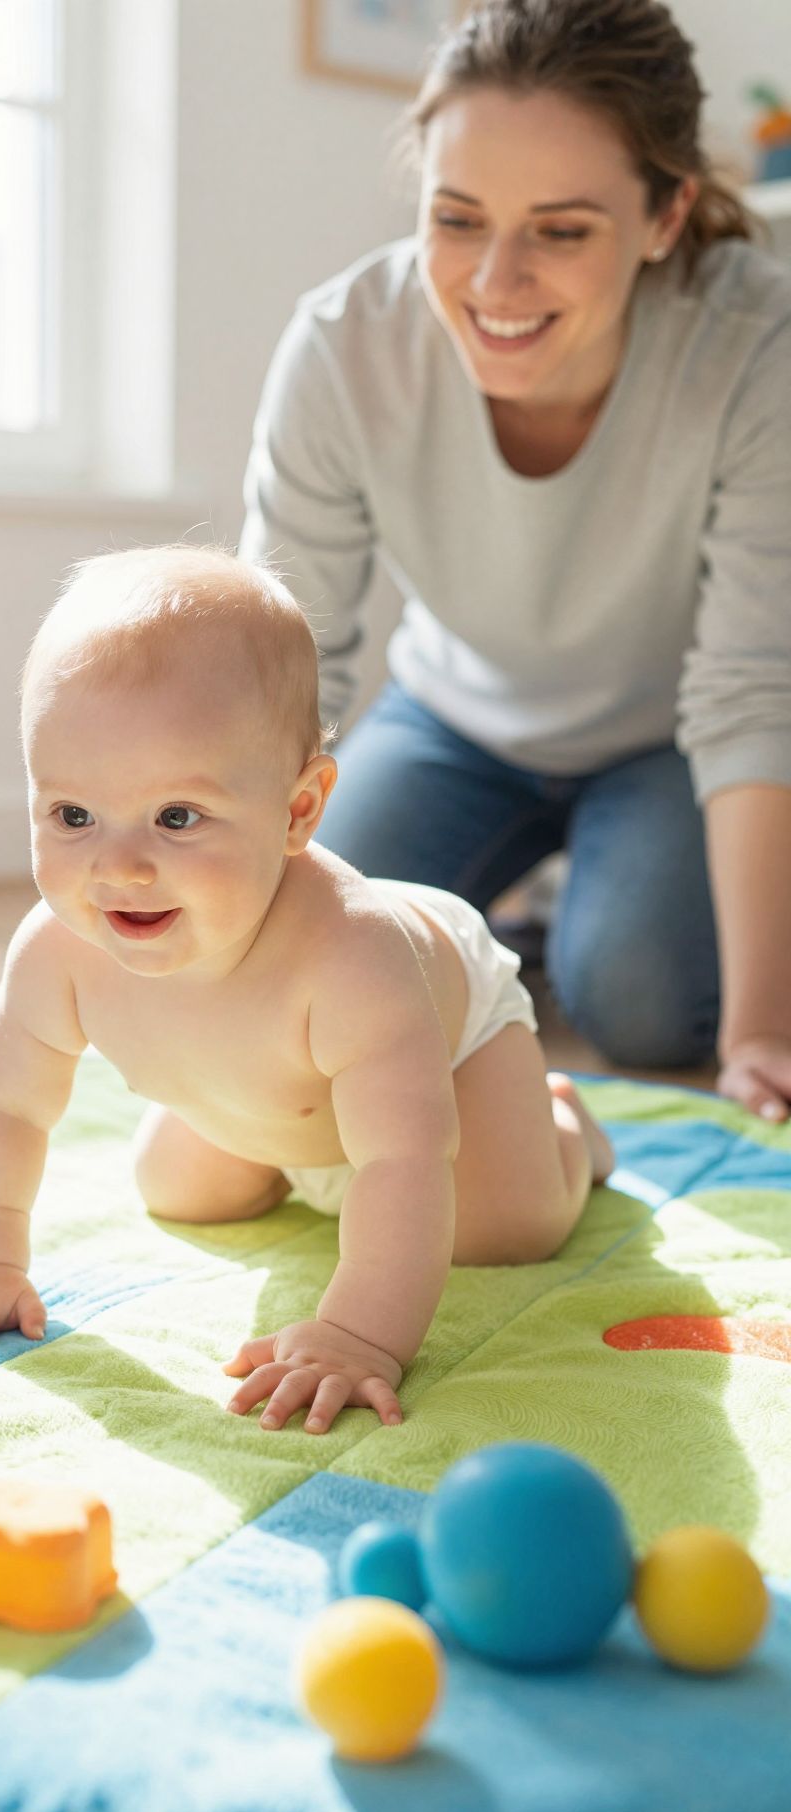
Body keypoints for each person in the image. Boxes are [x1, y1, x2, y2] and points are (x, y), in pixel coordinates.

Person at [0, 547, 613, 1436]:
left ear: (297, 812)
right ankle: (273, 1127)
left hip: (446, 1039)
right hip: (269, 1078)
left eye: (177, 818)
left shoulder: (357, 960)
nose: (119, 867)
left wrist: (356, 1333)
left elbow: (400, 1162)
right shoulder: (59, 949)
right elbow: (1, 1109)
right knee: (179, 1190)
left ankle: (559, 1122)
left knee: (501, 1227)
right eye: (73, 817)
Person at [240, 0, 791, 1119]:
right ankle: (512, 933)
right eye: (458, 217)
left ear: (665, 215)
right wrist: (224, 962)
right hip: (453, 722)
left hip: (668, 743)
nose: (495, 281)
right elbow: (280, 662)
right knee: (304, 952)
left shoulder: (755, 345)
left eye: (562, 229)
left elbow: (750, 686)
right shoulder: (347, 343)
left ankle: (567, 926)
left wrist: (762, 1033)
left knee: (639, 1000)